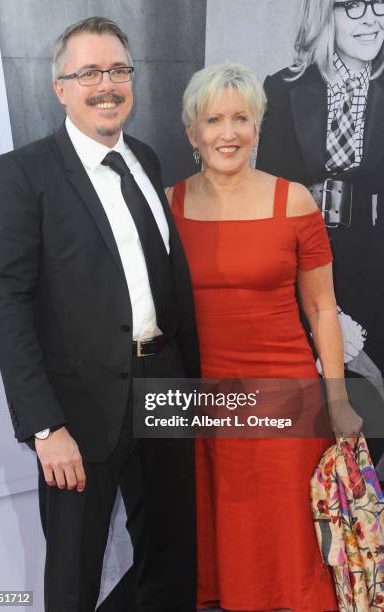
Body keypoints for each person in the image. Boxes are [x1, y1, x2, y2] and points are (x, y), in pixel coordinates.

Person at [0, 16, 199, 612]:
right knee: (75, 574)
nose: (107, 85)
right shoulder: (22, 174)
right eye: (90, 73)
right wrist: (46, 426)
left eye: (119, 71)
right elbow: (6, 305)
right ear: (60, 87)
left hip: (166, 388)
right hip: (76, 410)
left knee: (172, 556)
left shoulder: (147, 161)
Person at [166, 63, 362, 611]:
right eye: (213, 120)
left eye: (241, 119)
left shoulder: (294, 201)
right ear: (191, 132)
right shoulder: (167, 205)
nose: (227, 133)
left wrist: (337, 399)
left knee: (286, 546)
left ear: (258, 128)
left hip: (284, 398)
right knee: (219, 541)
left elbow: (323, 308)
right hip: (201, 402)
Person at [256, 0, 384, 472]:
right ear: (323, 14)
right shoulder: (283, 87)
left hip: (379, 271)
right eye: (352, 6)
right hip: (312, 276)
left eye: (379, 5)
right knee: (322, 439)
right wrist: (309, 307)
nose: (371, 19)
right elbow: (273, 209)